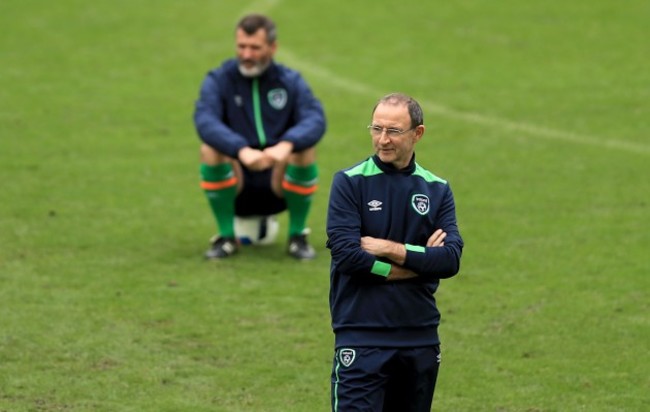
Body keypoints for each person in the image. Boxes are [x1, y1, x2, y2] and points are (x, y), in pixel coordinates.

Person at [326, 93, 464, 411]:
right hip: (361, 334)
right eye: (377, 129)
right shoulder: (350, 183)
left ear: (418, 133)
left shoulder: (436, 189)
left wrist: (391, 250)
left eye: (394, 131)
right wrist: (414, 265)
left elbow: (449, 259)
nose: (383, 140)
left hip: (420, 336)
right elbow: (348, 256)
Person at [194, 13, 326, 260]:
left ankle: (297, 236)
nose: (246, 55)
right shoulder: (219, 79)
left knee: (304, 149)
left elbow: (315, 118)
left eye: (255, 48)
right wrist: (241, 149)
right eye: (242, 46)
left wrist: (286, 145)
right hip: (238, 178)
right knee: (209, 149)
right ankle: (226, 237)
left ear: (273, 47)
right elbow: (205, 120)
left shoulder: (290, 81)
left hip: (279, 181)